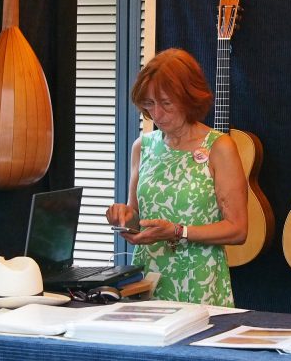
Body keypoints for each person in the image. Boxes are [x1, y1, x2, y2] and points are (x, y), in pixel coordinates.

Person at [105, 48, 248, 307]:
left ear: (189, 98)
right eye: (149, 105)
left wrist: (178, 231)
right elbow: (138, 215)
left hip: (198, 279)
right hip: (147, 277)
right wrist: (124, 216)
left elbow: (237, 229)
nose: (157, 114)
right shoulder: (143, 146)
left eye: (166, 104)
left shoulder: (219, 147)